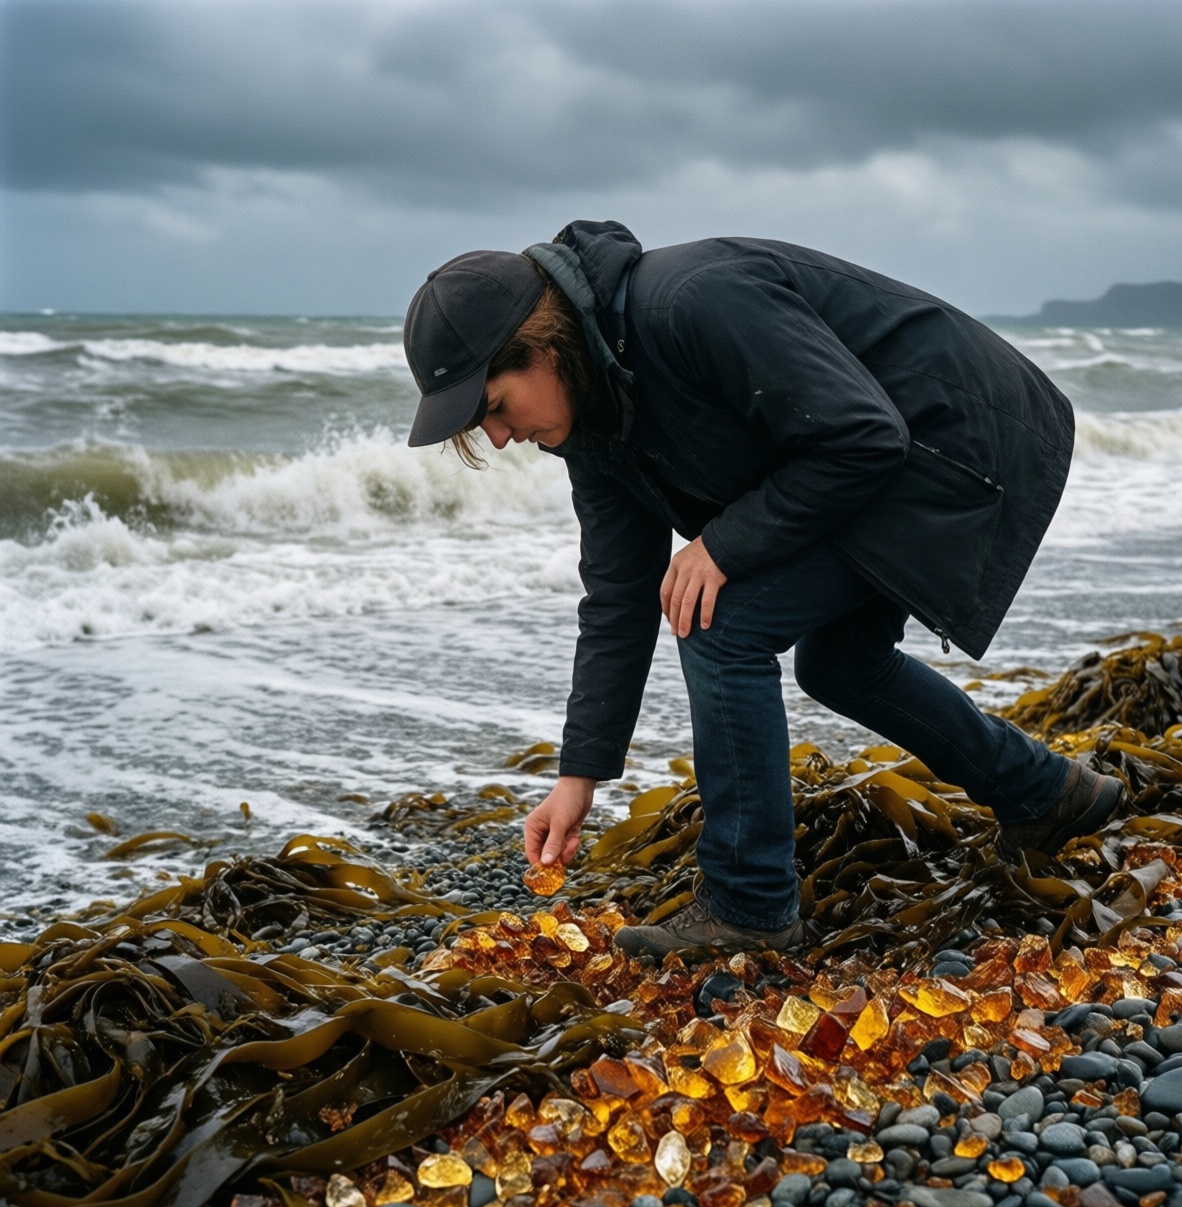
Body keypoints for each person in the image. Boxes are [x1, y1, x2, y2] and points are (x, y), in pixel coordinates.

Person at [403, 220, 1125, 959]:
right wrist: (578, 775)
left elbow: (862, 434)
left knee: (721, 626)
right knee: (840, 664)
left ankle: (750, 905)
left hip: (958, 441)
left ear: (544, 347)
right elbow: (618, 597)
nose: (499, 438)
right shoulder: (592, 422)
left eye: (495, 407)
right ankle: (1046, 793)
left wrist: (724, 545)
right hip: (881, 458)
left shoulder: (691, 302)